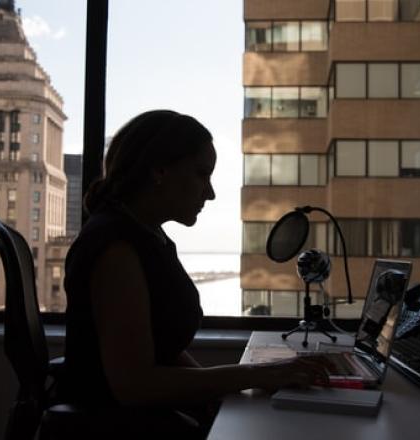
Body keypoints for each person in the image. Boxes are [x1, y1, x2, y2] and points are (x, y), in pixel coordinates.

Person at [58, 110, 330, 438]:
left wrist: (219, 397)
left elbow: (162, 349)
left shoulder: (147, 236)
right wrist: (255, 375)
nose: (210, 192)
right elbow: (135, 385)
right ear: (159, 170)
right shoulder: (116, 249)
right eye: (201, 174)